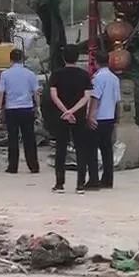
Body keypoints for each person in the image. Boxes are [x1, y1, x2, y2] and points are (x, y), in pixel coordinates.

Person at [48, 45, 93, 194]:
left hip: (61, 116)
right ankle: (80, 185)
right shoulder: (84, 75)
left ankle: (59, 184)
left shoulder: (57, 74)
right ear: (77, 57)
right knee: (81, 149)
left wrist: (66, 111)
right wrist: (73, 111)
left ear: (63, 58)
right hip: (78, 116)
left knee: (61, 149)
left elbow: (54, 95)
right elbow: (86, 97)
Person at [0, 49, 40, 173]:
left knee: (13, 138)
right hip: (27, 109)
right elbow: (36, 92)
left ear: (10, 59)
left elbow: (0, 92)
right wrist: (38, 107)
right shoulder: (30, 74)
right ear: (22, 59)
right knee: (29, 138)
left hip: (12, 109)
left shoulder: (5, 74)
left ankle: (13, 166)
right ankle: (33, 166)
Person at [88, 51, 121, 189]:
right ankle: (108, 180)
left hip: (98, 118)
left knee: (92, 150)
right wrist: (117, 117)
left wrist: (90, 116)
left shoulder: (97, 78)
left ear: (96, 62)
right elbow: (118, 101)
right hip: (109, 117)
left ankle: (93, 180)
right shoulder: (115, 78)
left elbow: (95, 98)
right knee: (107, 150)